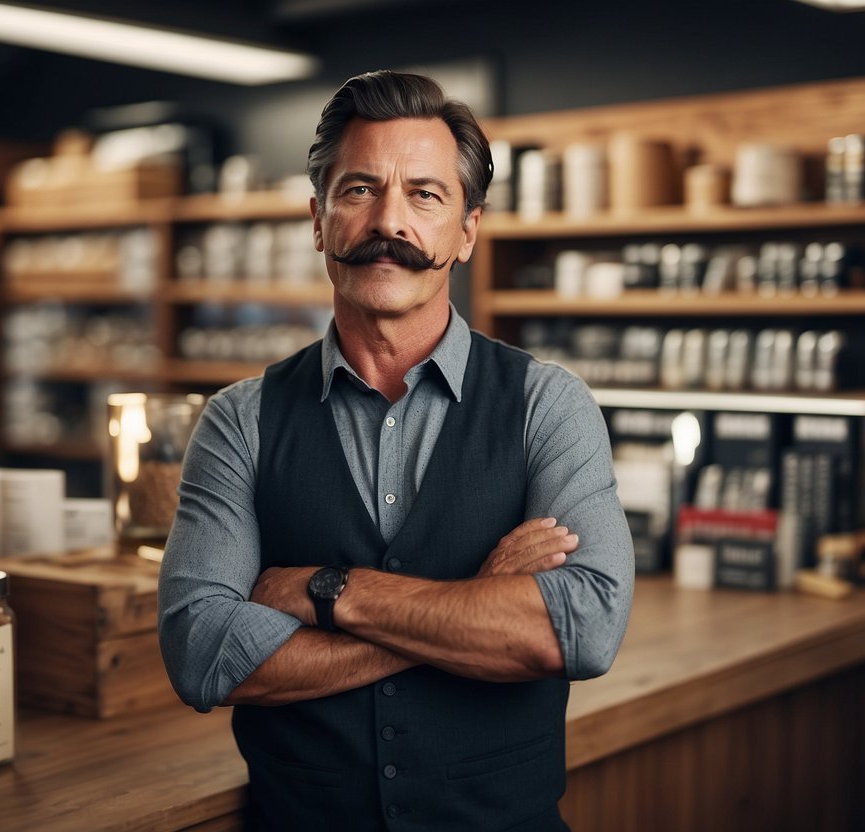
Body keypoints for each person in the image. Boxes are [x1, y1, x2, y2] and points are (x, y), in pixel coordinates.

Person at [158, 70, 634, 831]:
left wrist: (325, 591)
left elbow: (577, 629)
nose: (389, 221)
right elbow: (204, 651)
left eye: (424, 194)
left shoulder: (546, 404)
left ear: (466, 231)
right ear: (318, 221)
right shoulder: (238, 422)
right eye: (357, 191)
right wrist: (472, 598)